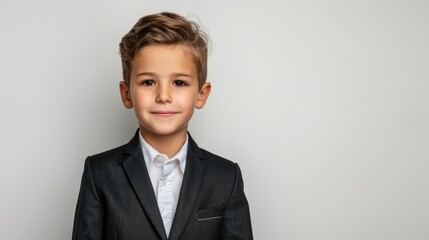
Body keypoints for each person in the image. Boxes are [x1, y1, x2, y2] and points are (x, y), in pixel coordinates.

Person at [72, 12, 253, 240]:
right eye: (148, 82)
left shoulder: (226, 177)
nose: (163, 96)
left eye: (179, 82)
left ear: (201, 94)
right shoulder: (99, 173)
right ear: (127, 94)